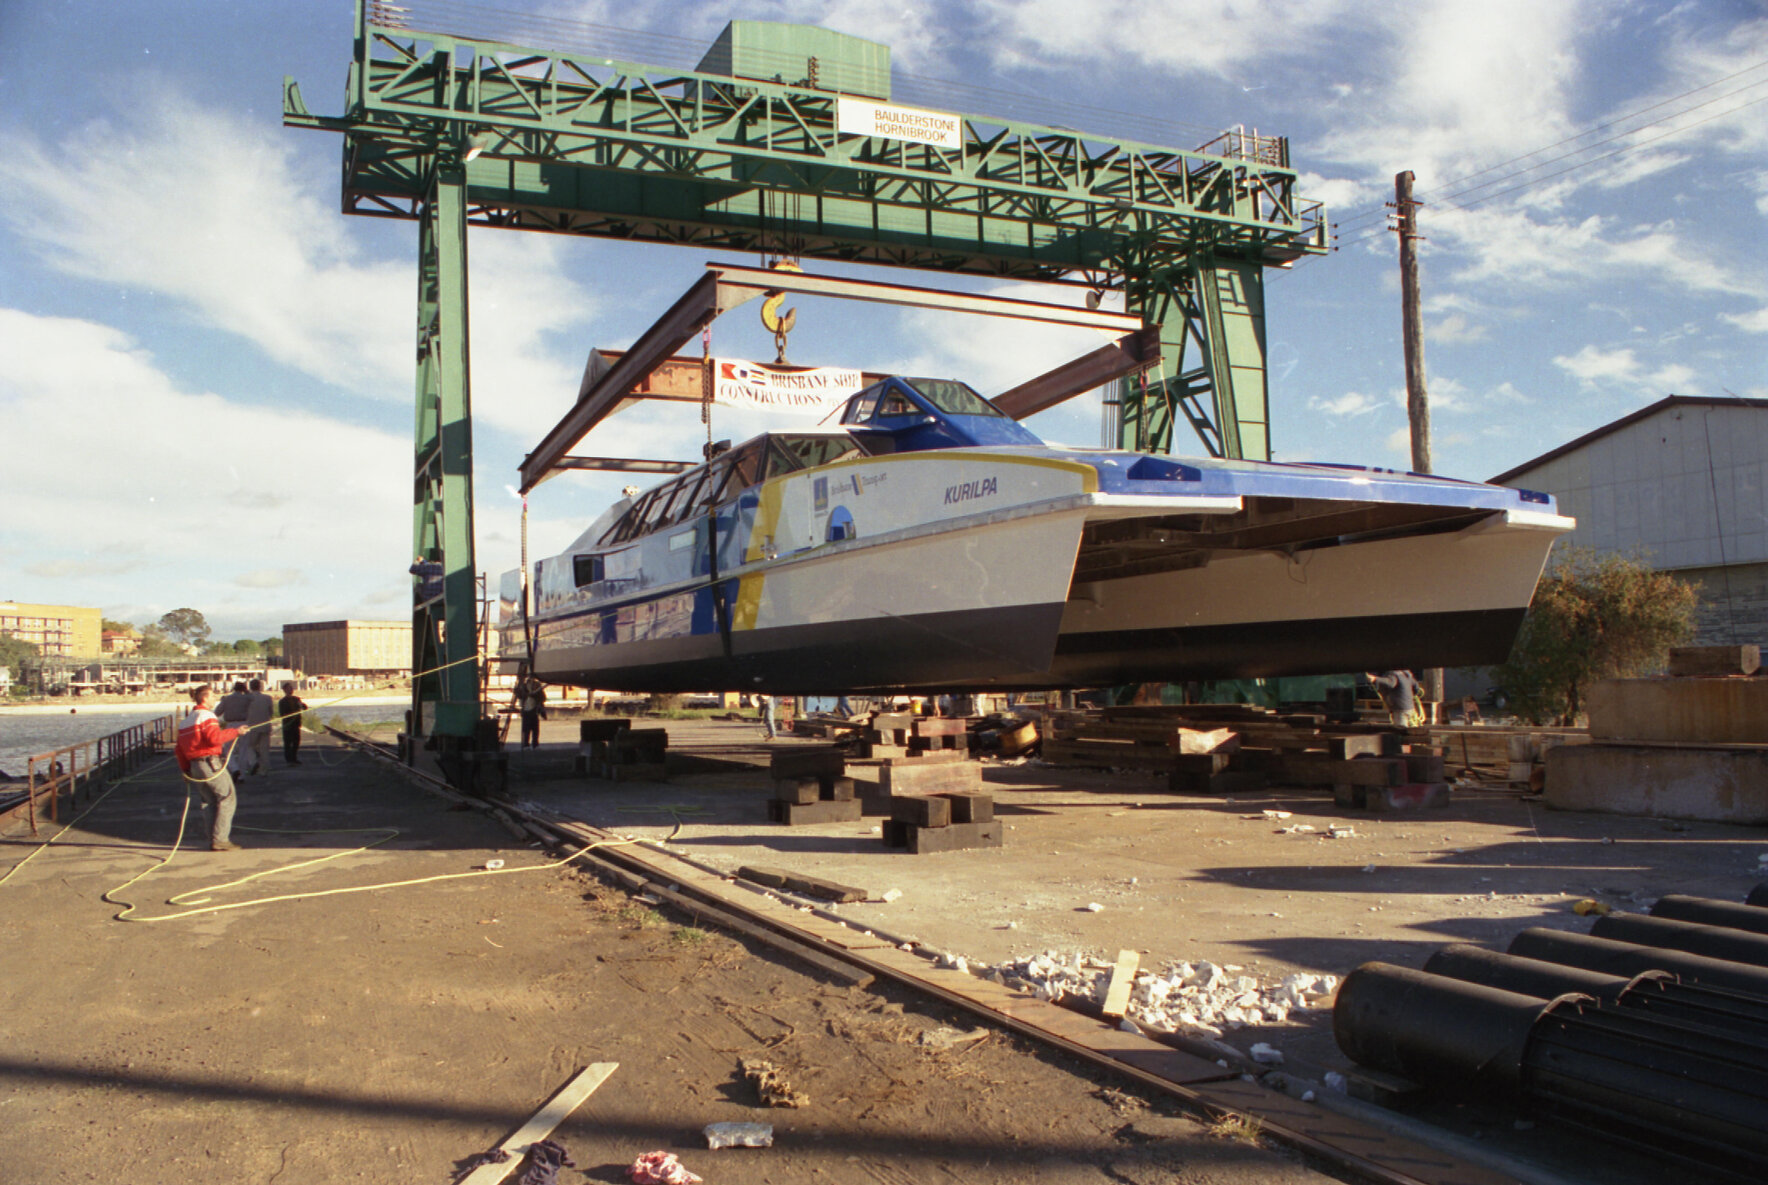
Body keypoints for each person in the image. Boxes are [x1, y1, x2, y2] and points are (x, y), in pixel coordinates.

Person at [176, 684, 245, 851]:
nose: (215, 698)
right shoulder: (207, 716)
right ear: (205, 698)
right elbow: (214, 739)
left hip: (194, 766)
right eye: (213, 696)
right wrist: (236, 732)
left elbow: (179, 750)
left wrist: (185, 770)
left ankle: (214, 838)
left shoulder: (185, 722)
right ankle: (220, 839)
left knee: (209, 801)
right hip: (209, 762)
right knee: (227, 797)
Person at [217, 681, 252, 780]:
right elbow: (253, 698)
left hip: (230, 724)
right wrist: (247, 691)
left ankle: (234, 768)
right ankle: (242, 775)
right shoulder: (247, 698)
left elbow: (217, 712)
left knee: (228, 749)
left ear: (234, 688)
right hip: (244, 723)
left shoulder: (227, 699)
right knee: (243, 750)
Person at [244, 678, 275, 774]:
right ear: (260, 687)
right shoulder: (267, 698)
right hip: (265, 725)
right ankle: (265, 768)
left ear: (250, 687)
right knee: (264, 749)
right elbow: (271, 712)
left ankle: (253, 763)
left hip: (252, 726)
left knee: (249, 746)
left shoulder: (247, 698)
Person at [278, 681, 308, 765]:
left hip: (296, 724)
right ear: (285, 690)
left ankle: (294, 758)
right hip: (287, 725)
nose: (291, 690)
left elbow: (305, 707)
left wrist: (301, 705)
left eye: (291, 688)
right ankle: (289, 760)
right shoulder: (282, 701)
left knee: (296, 742)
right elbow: (282, 714)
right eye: (289, 688)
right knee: (288, 743)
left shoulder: (296, 699)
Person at [518, 676, 547, 748]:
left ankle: (533, 743)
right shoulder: (524, 687)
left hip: (533, 709)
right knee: (528, 729)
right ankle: (527, 743)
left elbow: (542, 698)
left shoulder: (535, 688)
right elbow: (520, 697)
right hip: (527, 710)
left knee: (533, 729)